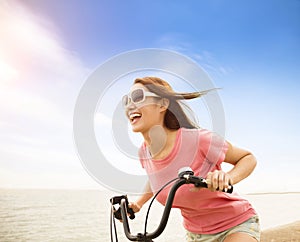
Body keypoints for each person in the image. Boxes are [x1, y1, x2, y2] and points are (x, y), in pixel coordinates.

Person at [121, 76, 260, 242]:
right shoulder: (144, 153)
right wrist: (139, 203)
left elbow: (248, 157)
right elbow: (156, 178)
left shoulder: (198, 140)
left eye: (137, 97)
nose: (130, 105)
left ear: (163, 104)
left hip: (235, 224)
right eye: (126, 101)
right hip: (196, 235)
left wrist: (228, 178)